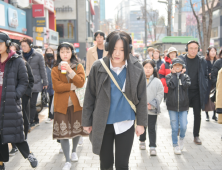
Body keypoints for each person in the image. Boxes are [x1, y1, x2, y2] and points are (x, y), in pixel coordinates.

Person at [82, 30, 148, 170]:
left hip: (126, 123)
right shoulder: (98, 67)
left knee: (122, 164)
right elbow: (89, 96)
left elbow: (142, 98)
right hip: (103, 123)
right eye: (114, 49)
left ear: (128, 50)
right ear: (108, 48)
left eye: (122, 49)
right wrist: (87, 121)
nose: (117, 53)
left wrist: (141, 123)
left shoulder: (136, 68)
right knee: (105, 164)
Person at [0, 33, 38, 170]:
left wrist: (15, 95)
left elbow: (24, 81)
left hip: (10, 103)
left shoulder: (16, 61)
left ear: (7, 44)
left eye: (0, 43)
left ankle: (29, 155)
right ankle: (1, 163)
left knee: (16, 132)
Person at [51, 42, 88, 170]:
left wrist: (70, 71)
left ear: (72, 52)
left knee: (76, 130)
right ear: (59, 53)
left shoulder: (78, 66)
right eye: (62, 52)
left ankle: (73, 151)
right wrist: (72, 86)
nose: (65, 54)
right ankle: (67, 160)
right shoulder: (55, 68)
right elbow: (57, 87)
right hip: (61, 106)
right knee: (63, 133)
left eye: (67, 51)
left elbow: (81, 82)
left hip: (76, 104)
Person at [178, 40, 208, 145]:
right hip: (184, 91)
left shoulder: (202, 61)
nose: (193, 50)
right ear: (187, 49)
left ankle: (196, 135)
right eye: (191, 48)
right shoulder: (181, 59)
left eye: (195, 48)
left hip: (197, 92)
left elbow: (205, 75)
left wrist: (205, 85)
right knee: (183, 113)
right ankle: (180, 129)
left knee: (197, 114)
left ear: (198, 49)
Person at [9, 43, 34, 156]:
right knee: (10, 120)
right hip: (9, 97)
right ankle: (14, 145)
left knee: (22, 118)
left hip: (22, 96)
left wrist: (26, 94)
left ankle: (23, 139)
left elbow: (30, 80)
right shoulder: (5, 65)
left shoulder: (23, 63)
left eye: (14, 51)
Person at [20, 38, 48, 127]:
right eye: (22, 46)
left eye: (25, 46)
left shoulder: (38, 56)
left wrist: (45, 82)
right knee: (26, 104)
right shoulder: (20, 56)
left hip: (35, 83)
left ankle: (30, 121)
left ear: (30, 45)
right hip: (24, 84)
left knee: (32, 104)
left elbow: (42, 70)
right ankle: (35, 118)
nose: (23, 48)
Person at [166, 58, 191, 155]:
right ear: (172, 67)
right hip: (172, 106)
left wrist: (181, 76)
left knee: (184, 126)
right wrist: (174, 76)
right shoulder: (169, 76)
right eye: (175, 65)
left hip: (183, 106)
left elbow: (186, 85)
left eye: (179, 66)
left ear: (182, 67)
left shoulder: (186, 76)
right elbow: (171, 86)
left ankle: (181, 138)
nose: (177, 67)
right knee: (174, 127)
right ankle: (175, 145)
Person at [139, 60, 164, 156]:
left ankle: (152, 146)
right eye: (146, 67)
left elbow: (160, 94)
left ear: (154, 69)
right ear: (142, 68)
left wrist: (153, 104)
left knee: (152, 128)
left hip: (152, 109)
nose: (148, 69)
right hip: (141, 109)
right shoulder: (139, 80)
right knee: (142, 125)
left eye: (150, 67)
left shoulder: (157, 81)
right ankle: (142, 140)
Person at [204, 46, 217, 121]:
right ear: (208, 52)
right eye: (211, 51)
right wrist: (208, 75)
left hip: (215, 82)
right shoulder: (205, 61)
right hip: (207, 83)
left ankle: (214, 115)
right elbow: (203, 71)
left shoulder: (217, 61)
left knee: (215, 98)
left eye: (214, 51)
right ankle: (207, 115)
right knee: (207, 99)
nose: (213, 52)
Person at [44, 47, 55, 123]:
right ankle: (51, 116)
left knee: (52, 100)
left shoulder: (55, 62)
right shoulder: (43, 61)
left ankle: (51, 116)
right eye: (47, 51)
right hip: (46, 83)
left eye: (50, 51)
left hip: (54, 83)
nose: (49, 52)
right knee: (48, 100)